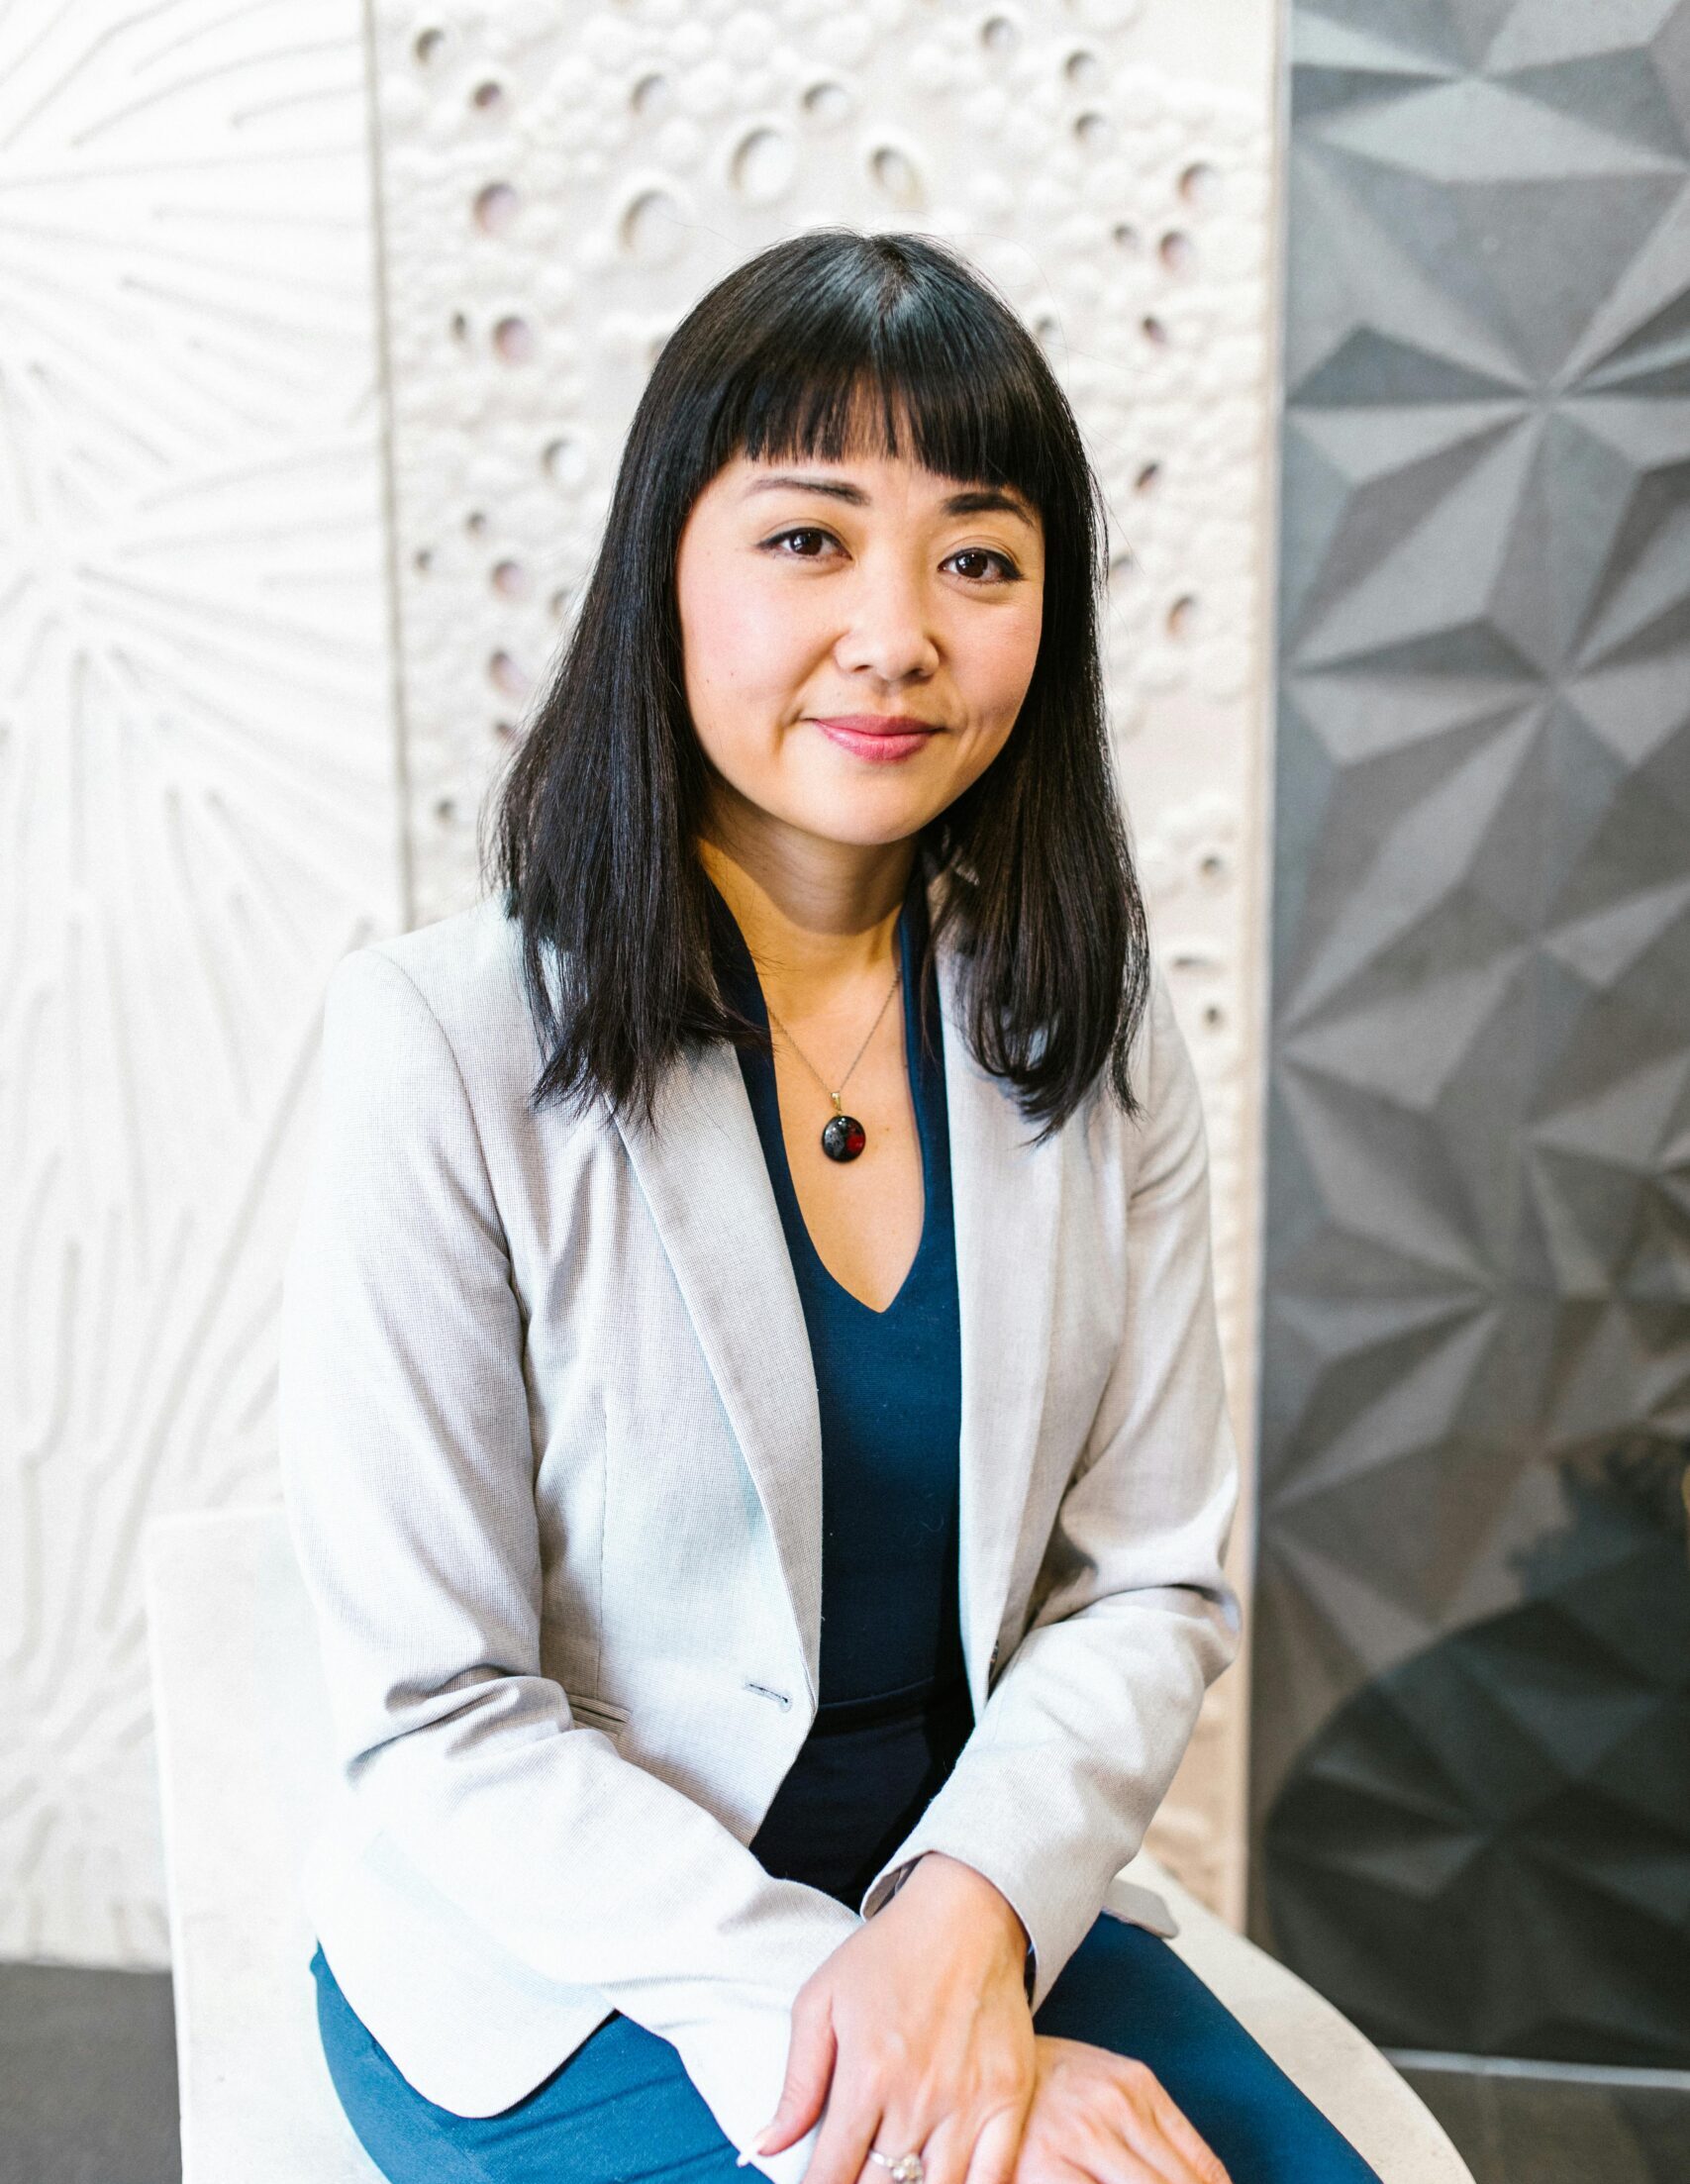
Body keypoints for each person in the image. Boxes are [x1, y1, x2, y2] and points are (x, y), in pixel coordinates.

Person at [279, 227, 1381, 2184]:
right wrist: (873, 2028)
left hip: (968, 1900)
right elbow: (436, 1708)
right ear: (665, 572)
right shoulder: (439, 1044)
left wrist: (961, 1925)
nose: (896, 634)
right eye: (809, 539)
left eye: (978, 559)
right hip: (580, 1964)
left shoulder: (1092, 1020)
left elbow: (1148, 1580)